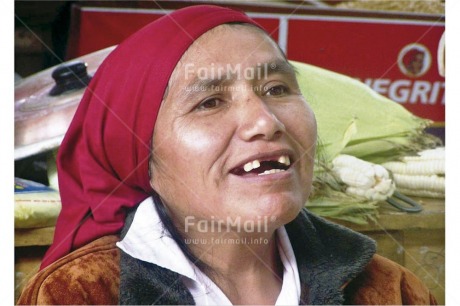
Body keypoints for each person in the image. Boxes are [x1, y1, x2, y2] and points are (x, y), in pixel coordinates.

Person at [21, 5, 436, 305]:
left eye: (278, 89)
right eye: (210, 102)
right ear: (139, 155)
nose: (265, 121)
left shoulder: (390, 290)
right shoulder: (81, 293)